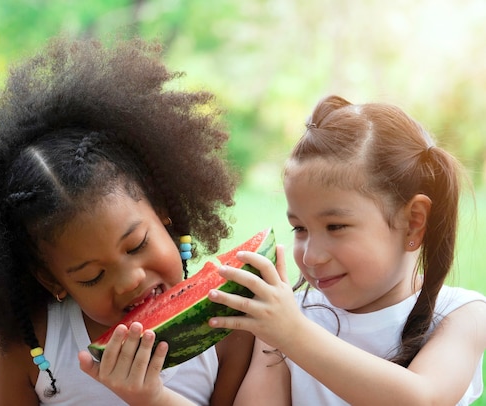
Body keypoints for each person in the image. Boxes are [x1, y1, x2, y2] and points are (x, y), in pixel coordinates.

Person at [0, 36, 254, 405]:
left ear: (163, 213)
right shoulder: (29, 347)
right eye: (92, 276)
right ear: (53, 281)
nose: (131, 280)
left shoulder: (228, 326)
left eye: (137, 244)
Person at [207, 95, 486, 405]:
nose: (311, 257)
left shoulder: (461, 315)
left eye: (336, 227)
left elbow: (422, 399)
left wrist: (293, 334)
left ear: (414, 223)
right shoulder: (289, 318)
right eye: (300, 229)